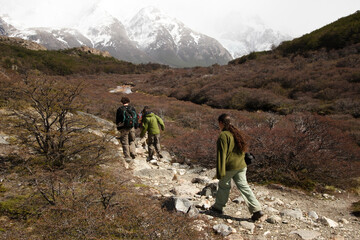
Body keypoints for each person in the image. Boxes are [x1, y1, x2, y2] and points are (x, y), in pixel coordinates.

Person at [210, 113, 263, 222]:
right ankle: (256, 210)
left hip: (231, 166)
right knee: (244, 187)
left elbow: (222, 155)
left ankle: (218, 208)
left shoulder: (223, 135)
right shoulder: (236, 133)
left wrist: (220, 172)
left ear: (220, 123)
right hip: (242, 165)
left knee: (224, 185)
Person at [116, 97, 137, 162]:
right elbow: (136, 118)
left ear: (122, 102)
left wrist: (118, 127)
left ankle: (127, 156)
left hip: (123, 127)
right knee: (132, 140)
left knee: (125, 142)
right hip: (131, 127)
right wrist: (135, 126)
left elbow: (117, 119)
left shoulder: (120, 109)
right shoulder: (132, 108)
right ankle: (133, 153)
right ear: (128, 101)